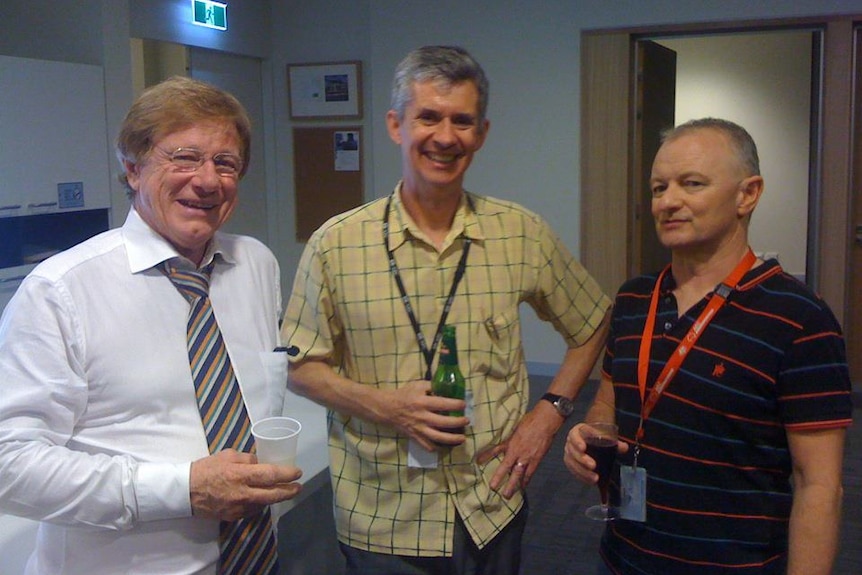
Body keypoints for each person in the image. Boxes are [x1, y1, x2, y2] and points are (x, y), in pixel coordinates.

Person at [281, 45, 612, 574]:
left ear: (480, 133)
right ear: (396, 125)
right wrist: (387, 406)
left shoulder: (520, 233)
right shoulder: (335, 244)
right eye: (428, 117)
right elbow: (301, 368)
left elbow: (593, 320)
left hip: (491, 504)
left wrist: (548, 416)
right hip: (383, 514)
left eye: (462, 121)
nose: (445, 136)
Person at [0, 76, 302, 574]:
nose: (207, 181)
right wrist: (182, 490)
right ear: (133, 168)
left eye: (225, 163)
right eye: (183, 156)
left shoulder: (256, 265)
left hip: (254, 558)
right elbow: (10, 466)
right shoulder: (61, 291)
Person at [564, 118, 853, 575]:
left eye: (691, 184)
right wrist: (587, 435)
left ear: (748, 194)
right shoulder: (634, 298)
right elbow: (608, 407)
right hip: (622, 559)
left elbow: (819, 486)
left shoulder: (800, 320)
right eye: (659, 188)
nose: (668, 201)